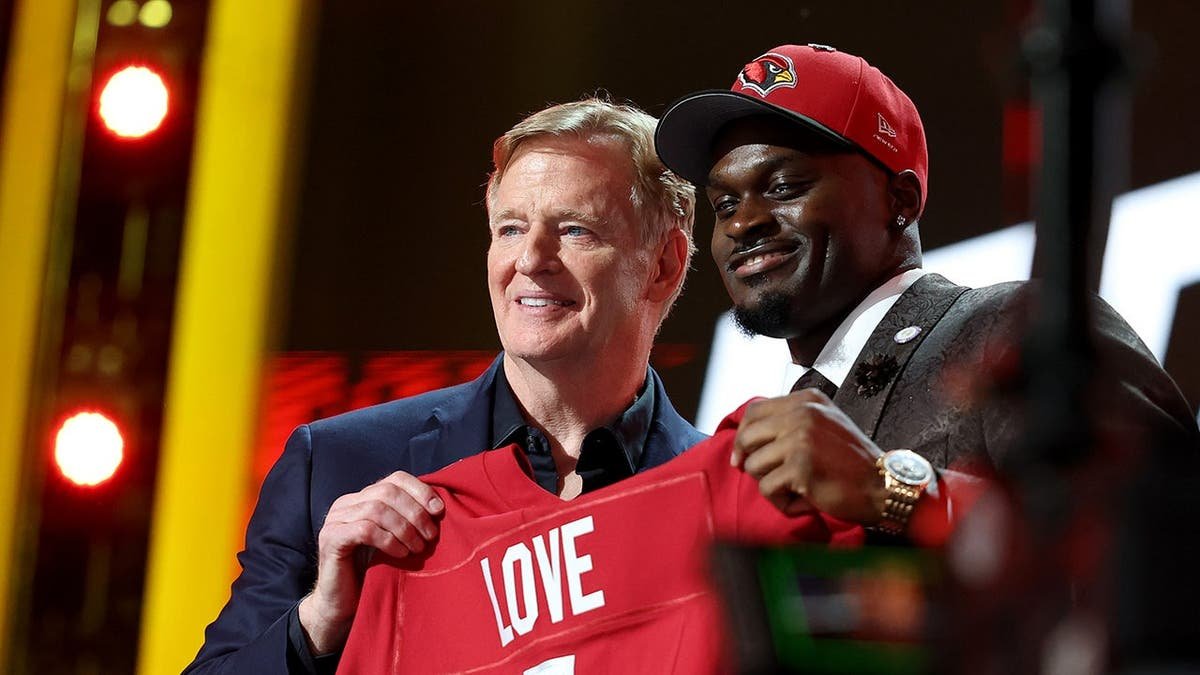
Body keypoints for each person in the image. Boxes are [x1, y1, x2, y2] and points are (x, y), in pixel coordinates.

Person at [185, 98, 706, 674]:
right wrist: (318, 622)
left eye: (575, 231)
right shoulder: (336, 465)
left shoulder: (717, 499)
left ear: (663, 265)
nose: (530, 259)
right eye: (510, 228)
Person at [653, 44, 1199, 541]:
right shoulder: (758, 440)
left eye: (784, 187)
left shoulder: (1017, 331)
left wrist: (891, 490)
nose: (743, 223)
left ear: (902, 199)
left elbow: (1165, 537)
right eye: (724, 205)